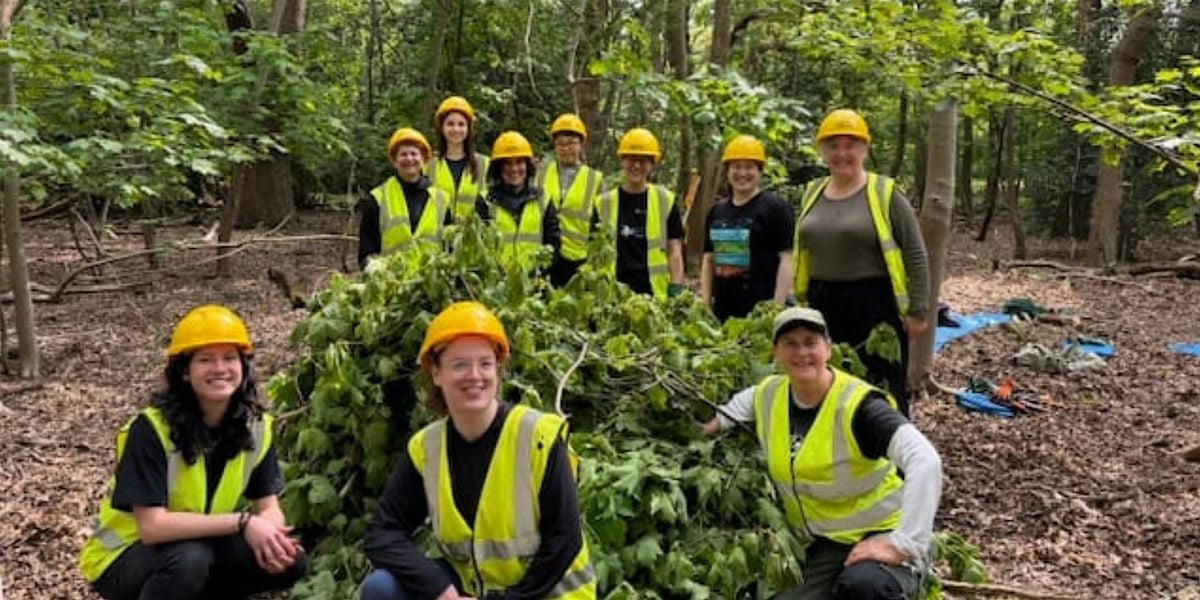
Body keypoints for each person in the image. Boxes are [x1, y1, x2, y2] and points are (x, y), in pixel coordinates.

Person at [701, 307, 942, 600]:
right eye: (790, 343)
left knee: (865, 588)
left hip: (882, 529)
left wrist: (904, 543)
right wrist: (705, 426)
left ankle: (906, 570)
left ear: (828, 348)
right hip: (826, 541)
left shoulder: (859, 406)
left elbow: (925, 460)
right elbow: (736, 408)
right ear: (775, 352)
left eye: (810, 342)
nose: (801, 352)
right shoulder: (769, 394)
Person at [360, 301, 595, 600]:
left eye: (485, 364)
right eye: (460, 365)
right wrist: (440, 588)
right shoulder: (427, 449)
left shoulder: (538, 437)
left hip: (543, 595)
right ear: (436, 373)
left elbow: (564, 540)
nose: (475, 375)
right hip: (474, 591)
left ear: (497, 370)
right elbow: (382, 534)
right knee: (382, 588)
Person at [79, 305, 306, 600]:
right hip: (121, 554)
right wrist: (243, 522)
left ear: (243, 366)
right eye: (205, 360)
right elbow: (152, 527)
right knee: (190, 559)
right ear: (185, 371)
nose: (220, 368)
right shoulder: (152, 429)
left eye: (229, 358)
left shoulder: (257, 427)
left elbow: (268, 505)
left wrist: (272, 537)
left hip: (200, 542)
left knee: (292, 560)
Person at [793, 109, 930, 415]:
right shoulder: (812, 192)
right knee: (829, 386)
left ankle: (890, 443)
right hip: (820, 303)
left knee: (882, 389)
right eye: (833, 146)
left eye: (850, 145)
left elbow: (916, 254)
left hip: (873, 306)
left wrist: (918, 310)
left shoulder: (885, 193)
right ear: (822, 151)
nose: (842, 153)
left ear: (864, 149)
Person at [698, 134, 796, 321]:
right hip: (722, 312)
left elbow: (786, 259)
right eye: (736, 166)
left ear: (759, 171)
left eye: (749, 167)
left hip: (760, 313)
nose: (742, 173)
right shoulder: (716, 211)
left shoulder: (776, 208)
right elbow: (709, 260)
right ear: (728, 171)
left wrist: (775, 309)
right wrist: (705, 305)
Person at [597, 127, 685, 300]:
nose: (636, 166)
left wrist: (676, 286)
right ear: (622, 161)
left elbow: (674, 249)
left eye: (643, 160)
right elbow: (594, 253)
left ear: (652, 164)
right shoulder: (602, 203)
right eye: (631, 159)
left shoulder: (665, 201)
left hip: (654, 296)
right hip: (611, 297)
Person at [358, 127, 453, 268]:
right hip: (391, 279)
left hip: (431, 279)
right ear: (394, 161)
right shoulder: (377, 198)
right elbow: (366, 251)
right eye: (403, 154)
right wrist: (374, 269)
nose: (409, 158)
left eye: (414, 154)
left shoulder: (441, 199)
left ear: (424, 159)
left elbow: (449, 249)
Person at [537, 113, 604, 286]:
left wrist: (595, 262)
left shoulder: (594, 179)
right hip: (545, 254)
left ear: (581, 144)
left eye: (571, 143)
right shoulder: (541, 173)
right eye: (560, 143)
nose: (566, 148)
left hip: (578, 259)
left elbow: (601, 226)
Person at [482, 131, 562, 274]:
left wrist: (542, 272)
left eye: (519, 162)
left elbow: (553, 243)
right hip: (495, 281)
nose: (514, 169)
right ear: (499, 167)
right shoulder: (485, 200)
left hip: (533, 280)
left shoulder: (543, 199)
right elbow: (479, 246)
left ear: (527, 165)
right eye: (508, 163)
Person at [428, 96, 490, 220]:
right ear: (442, 127)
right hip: (436, 232)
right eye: (450, 124)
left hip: (475, 232)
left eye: (461, 124)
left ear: (468, 128)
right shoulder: (428, 165)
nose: (456, 129)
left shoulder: (485, 164)